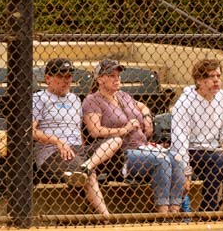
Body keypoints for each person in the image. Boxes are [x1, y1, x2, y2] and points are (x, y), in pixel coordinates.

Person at [82, 58, 186, 213]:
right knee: (161, 160)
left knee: (177, 160)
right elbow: (95, 131)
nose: (117, 79)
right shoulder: (92, 101)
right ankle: (163, 212)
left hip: (143, 147)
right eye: (111, 76)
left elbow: (141, 106)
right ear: (99, 79)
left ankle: (174, 211)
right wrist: (124, 129)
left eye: (118, 75)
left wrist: (147, 116)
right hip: (121, 155)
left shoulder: (123, 95)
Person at [32, 58, 122, 216]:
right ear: (48, 78)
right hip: (52, 153)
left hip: (78, 151)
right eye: (61, 76)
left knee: (116, 140)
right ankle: (107, 217)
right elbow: (30, 131)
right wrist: (57, 141)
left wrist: (81, 150)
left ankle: (86, 166)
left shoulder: (74, 99)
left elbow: (78, 131)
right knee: (89, 174)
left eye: (69, 76)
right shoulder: (39, 98)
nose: (66, 80)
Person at [170, 59, 223, 212]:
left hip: (216, 150)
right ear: (199, 80)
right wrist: (185, 170)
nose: (216, 80)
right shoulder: (185, 102)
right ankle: (208, 210)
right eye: (211, 76)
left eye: (218, 76)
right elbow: (180, 140)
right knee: (217, 160)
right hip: (191, 150)